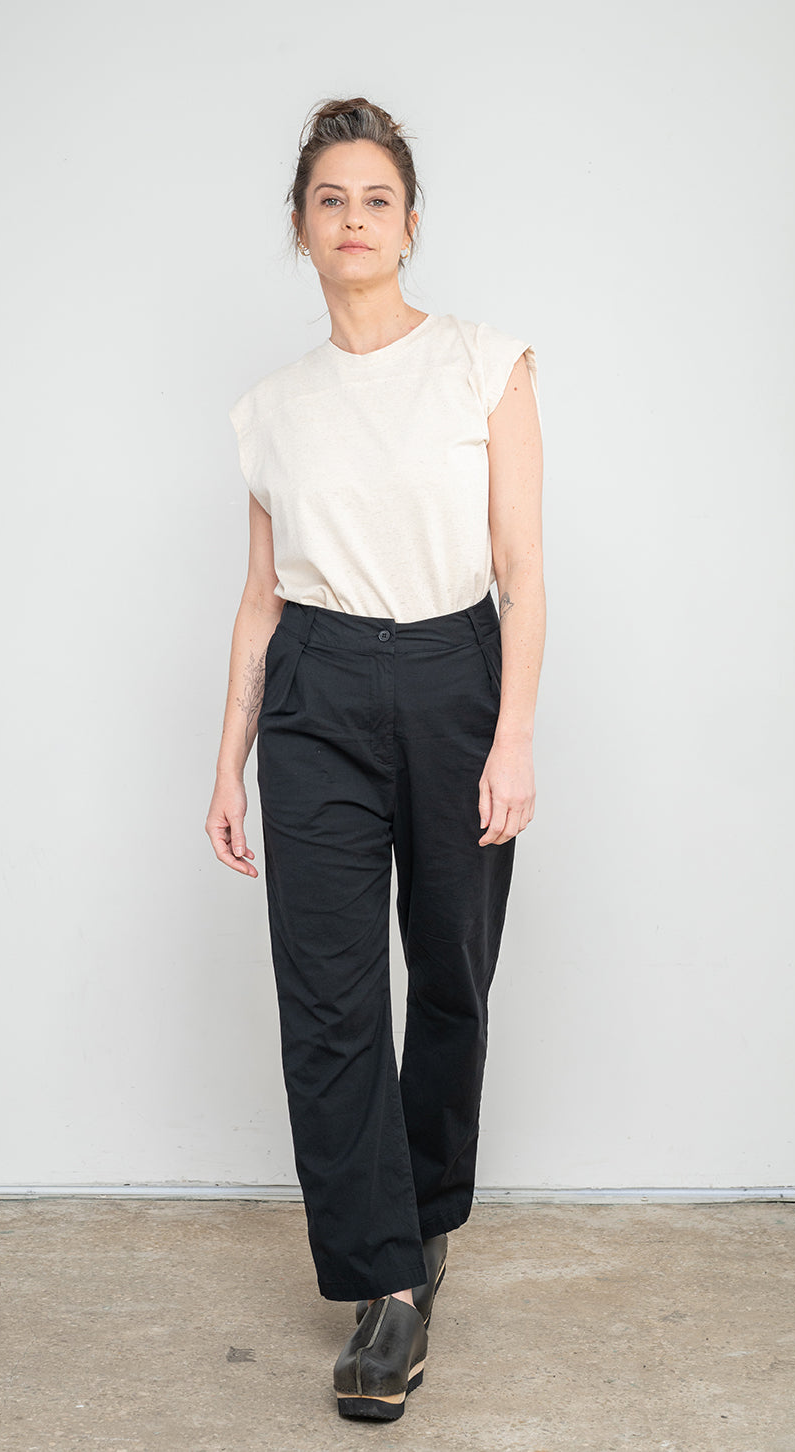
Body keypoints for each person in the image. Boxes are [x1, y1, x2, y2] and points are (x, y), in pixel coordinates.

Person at [205, 95, 545, 1422]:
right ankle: (384, 1289)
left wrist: (512, 736)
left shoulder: (483, 364)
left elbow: (521, 571)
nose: (353, 219)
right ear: (299, 228)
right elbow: (258, 600)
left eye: (376, 199)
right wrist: (225, 762)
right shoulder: (271, 411)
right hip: (317, 691)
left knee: (451, 973)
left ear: (410, 225)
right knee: (331, 1001)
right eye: (329, 200)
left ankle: (428, 1210)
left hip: (456, 678)